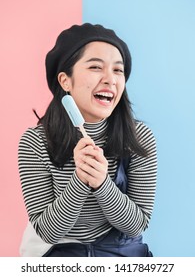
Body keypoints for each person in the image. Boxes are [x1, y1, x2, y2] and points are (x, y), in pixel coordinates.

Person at [18, 23, 157, 257]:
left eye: (118, 70)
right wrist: (79, 181)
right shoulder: (35, 142)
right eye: (95, 67)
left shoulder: (139, 138)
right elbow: (47, 232)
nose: (110, 79)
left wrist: (102, 184)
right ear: (65, 81)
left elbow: (136, 225)